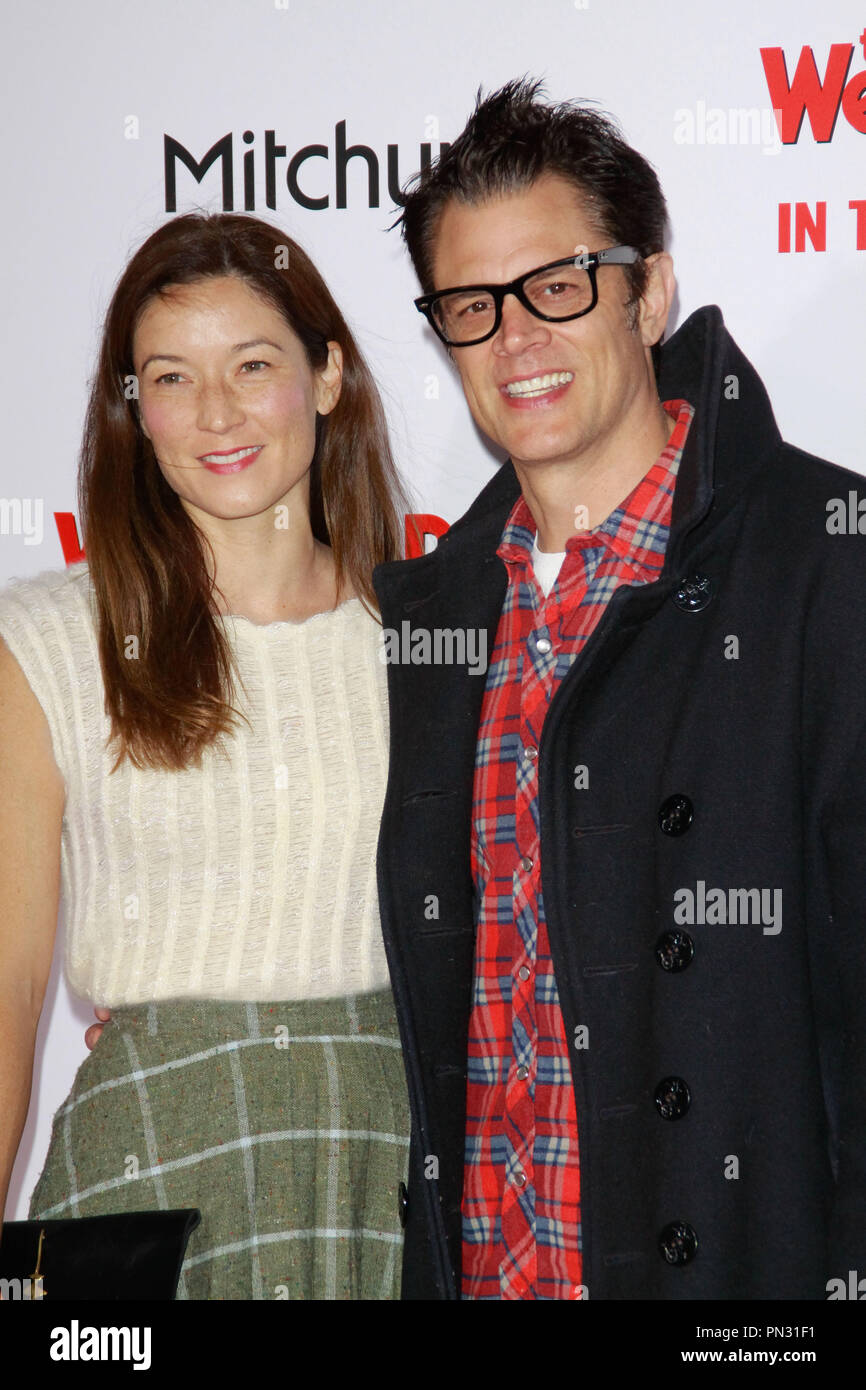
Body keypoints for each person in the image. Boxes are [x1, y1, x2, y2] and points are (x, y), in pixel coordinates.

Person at [371, 78, 866, 1300]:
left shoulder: (823, 561)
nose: (515, 339)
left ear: (646, 293)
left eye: (556, 285)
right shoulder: (428, 622)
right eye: (471, 307)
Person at [0, 211, 412, 1299]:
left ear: (326, 379)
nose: (215, 414)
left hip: (383, 1170)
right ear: (133, 411)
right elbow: (5, 990)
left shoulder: (430, 638)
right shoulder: (44, 644)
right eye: (171, 378)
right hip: (142, 1178)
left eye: (253, 365)